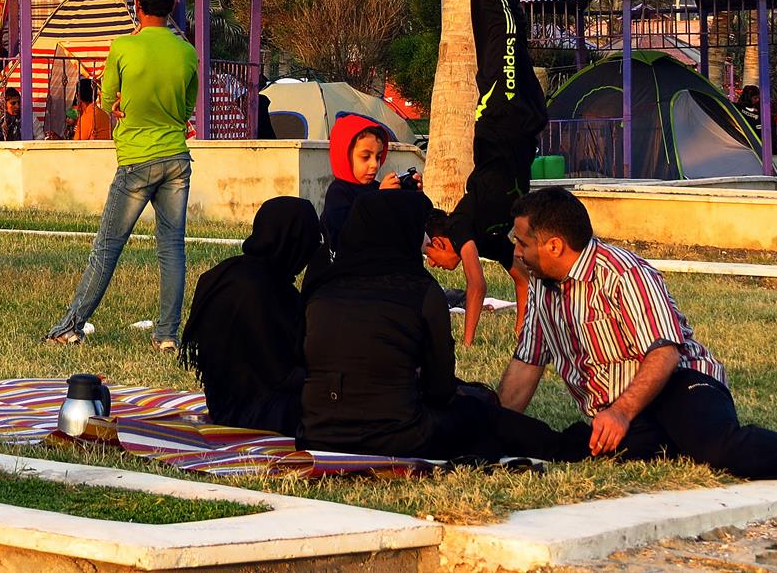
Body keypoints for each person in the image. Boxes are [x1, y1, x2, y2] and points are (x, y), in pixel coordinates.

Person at [496, 186, 777, 489]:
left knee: (716, 446)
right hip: (624, 411)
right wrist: (497, 423)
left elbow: (665, 352)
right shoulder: (542, 285)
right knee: (578, 449)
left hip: (677, 381)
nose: (517, 252)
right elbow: (527, 363)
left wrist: (621, 412)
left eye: (522, 243)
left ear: (554, 245)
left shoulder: (623, 273)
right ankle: (665, 440)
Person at [300, 189, 586, 463]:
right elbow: (440, 390)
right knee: (479, 414)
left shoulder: (322, 289)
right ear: (400, 231)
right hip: (398, 435)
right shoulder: (421, 292)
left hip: (319, 433)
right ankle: (566, 444)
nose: (426, 240)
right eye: (419, 229)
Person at [45, 0, 198, 350]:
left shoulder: (123, 48)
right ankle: (167, 335)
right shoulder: (187, 53)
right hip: (176, 158)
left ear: (137, 5)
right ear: (171, 5)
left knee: (107, 248)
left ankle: (70, 327)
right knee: (172, 248)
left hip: (136, 160)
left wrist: (120, 106)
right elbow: (186, 110)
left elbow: (107, 99)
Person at [422, 0, 539, 340]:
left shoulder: (461, 227)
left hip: (503, 118)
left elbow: (476, 287)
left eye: (432, 256)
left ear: (443, 240)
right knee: (511, 19)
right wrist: (522, 332)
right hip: (518, 124)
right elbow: (521, 279)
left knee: (498, 20)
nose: (436, 264)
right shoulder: (489, 238)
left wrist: (467, 342)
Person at [180, 197, 320, 435]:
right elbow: (280, 372)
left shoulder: (223, 274)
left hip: (220, 403)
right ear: (292, 242)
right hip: (257, 412)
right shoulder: (270, 291)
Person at [303, 118, 412, 284]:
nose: (374, 165)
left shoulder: (376, 188)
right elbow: (348, 234)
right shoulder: (338, 192)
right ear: (344, 155)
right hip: (340, 277)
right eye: (365, 157)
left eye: (378, 157)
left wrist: (409, 194)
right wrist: (380, 199)